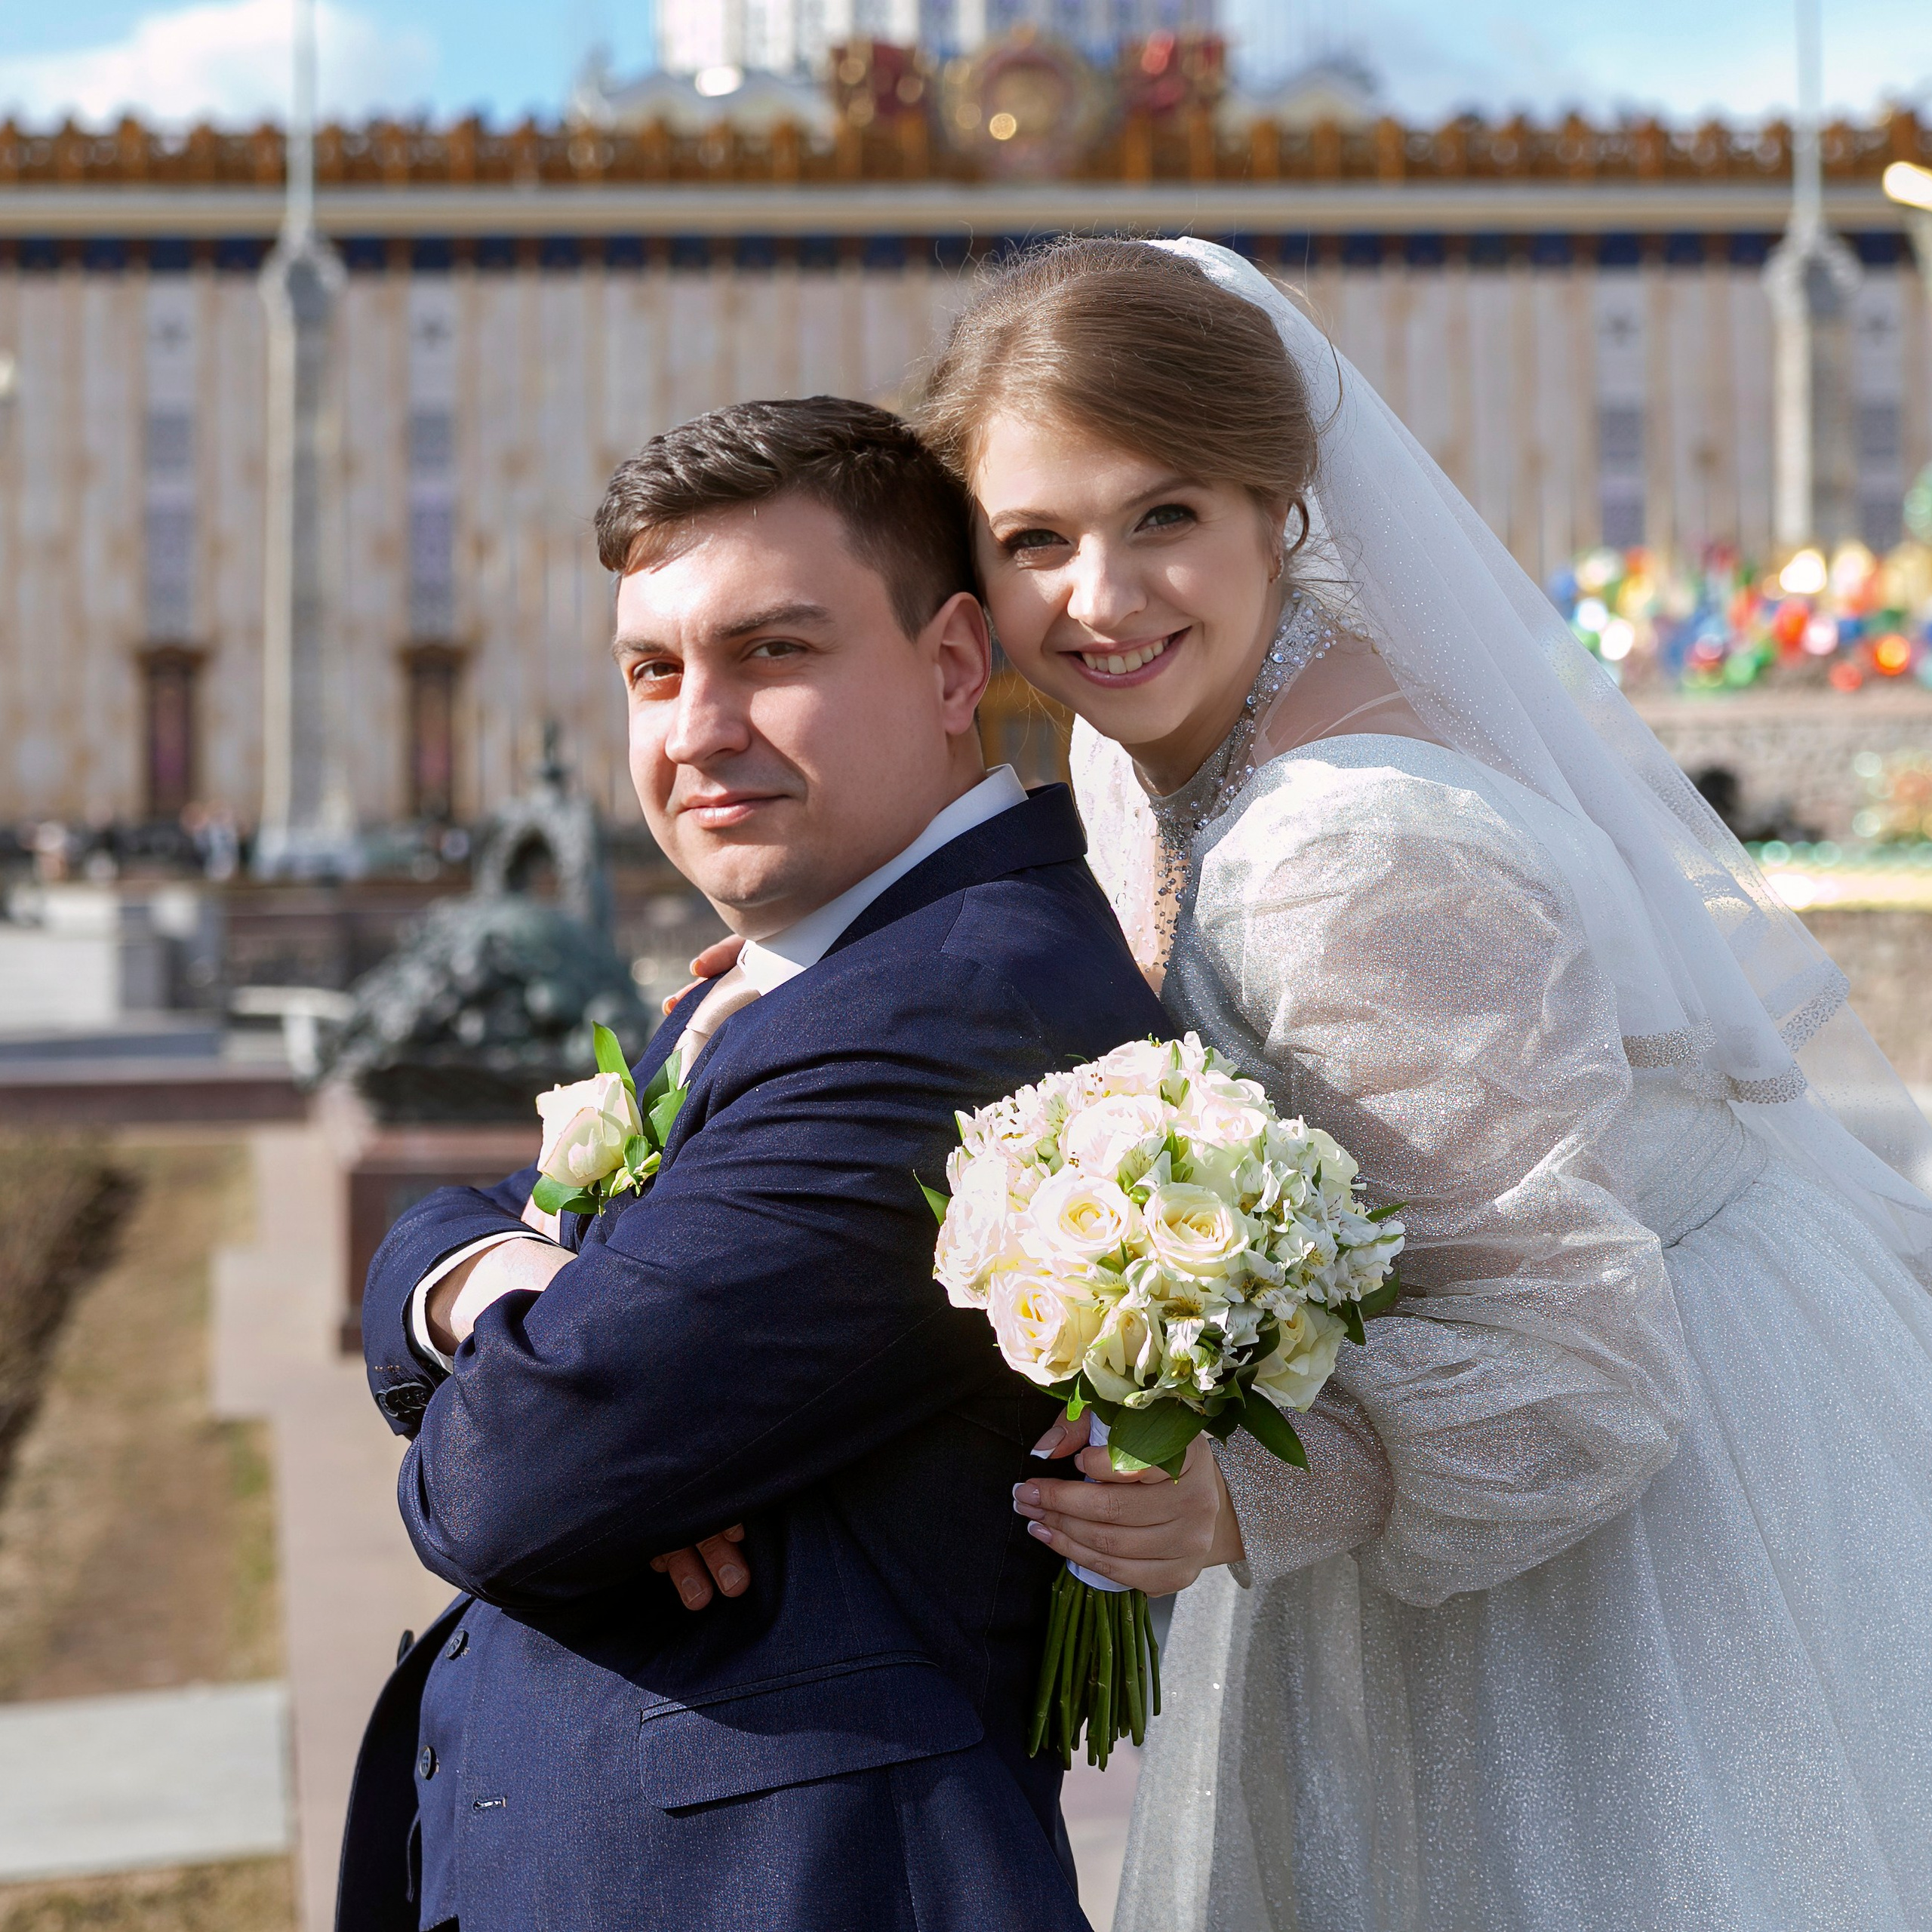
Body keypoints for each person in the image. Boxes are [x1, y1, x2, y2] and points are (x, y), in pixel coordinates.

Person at [905, 237, 1932, 1930]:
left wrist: (1246, 1488)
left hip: (1612, 1506)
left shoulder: (1353, 852)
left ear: (1272, 502)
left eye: (1163, 515)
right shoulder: (1131, 733)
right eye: (1034, 540)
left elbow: (1575, 1368)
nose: (1099, 596)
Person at [337, 397, 1189, 1932]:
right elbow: (518, 1343)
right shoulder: (810, 957)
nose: (697, 727)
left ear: (947, 666)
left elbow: (521, 1476)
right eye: (653, 671)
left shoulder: (952, 1004)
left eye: (773, 652)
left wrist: (555, 1352)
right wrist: (487, 1279)